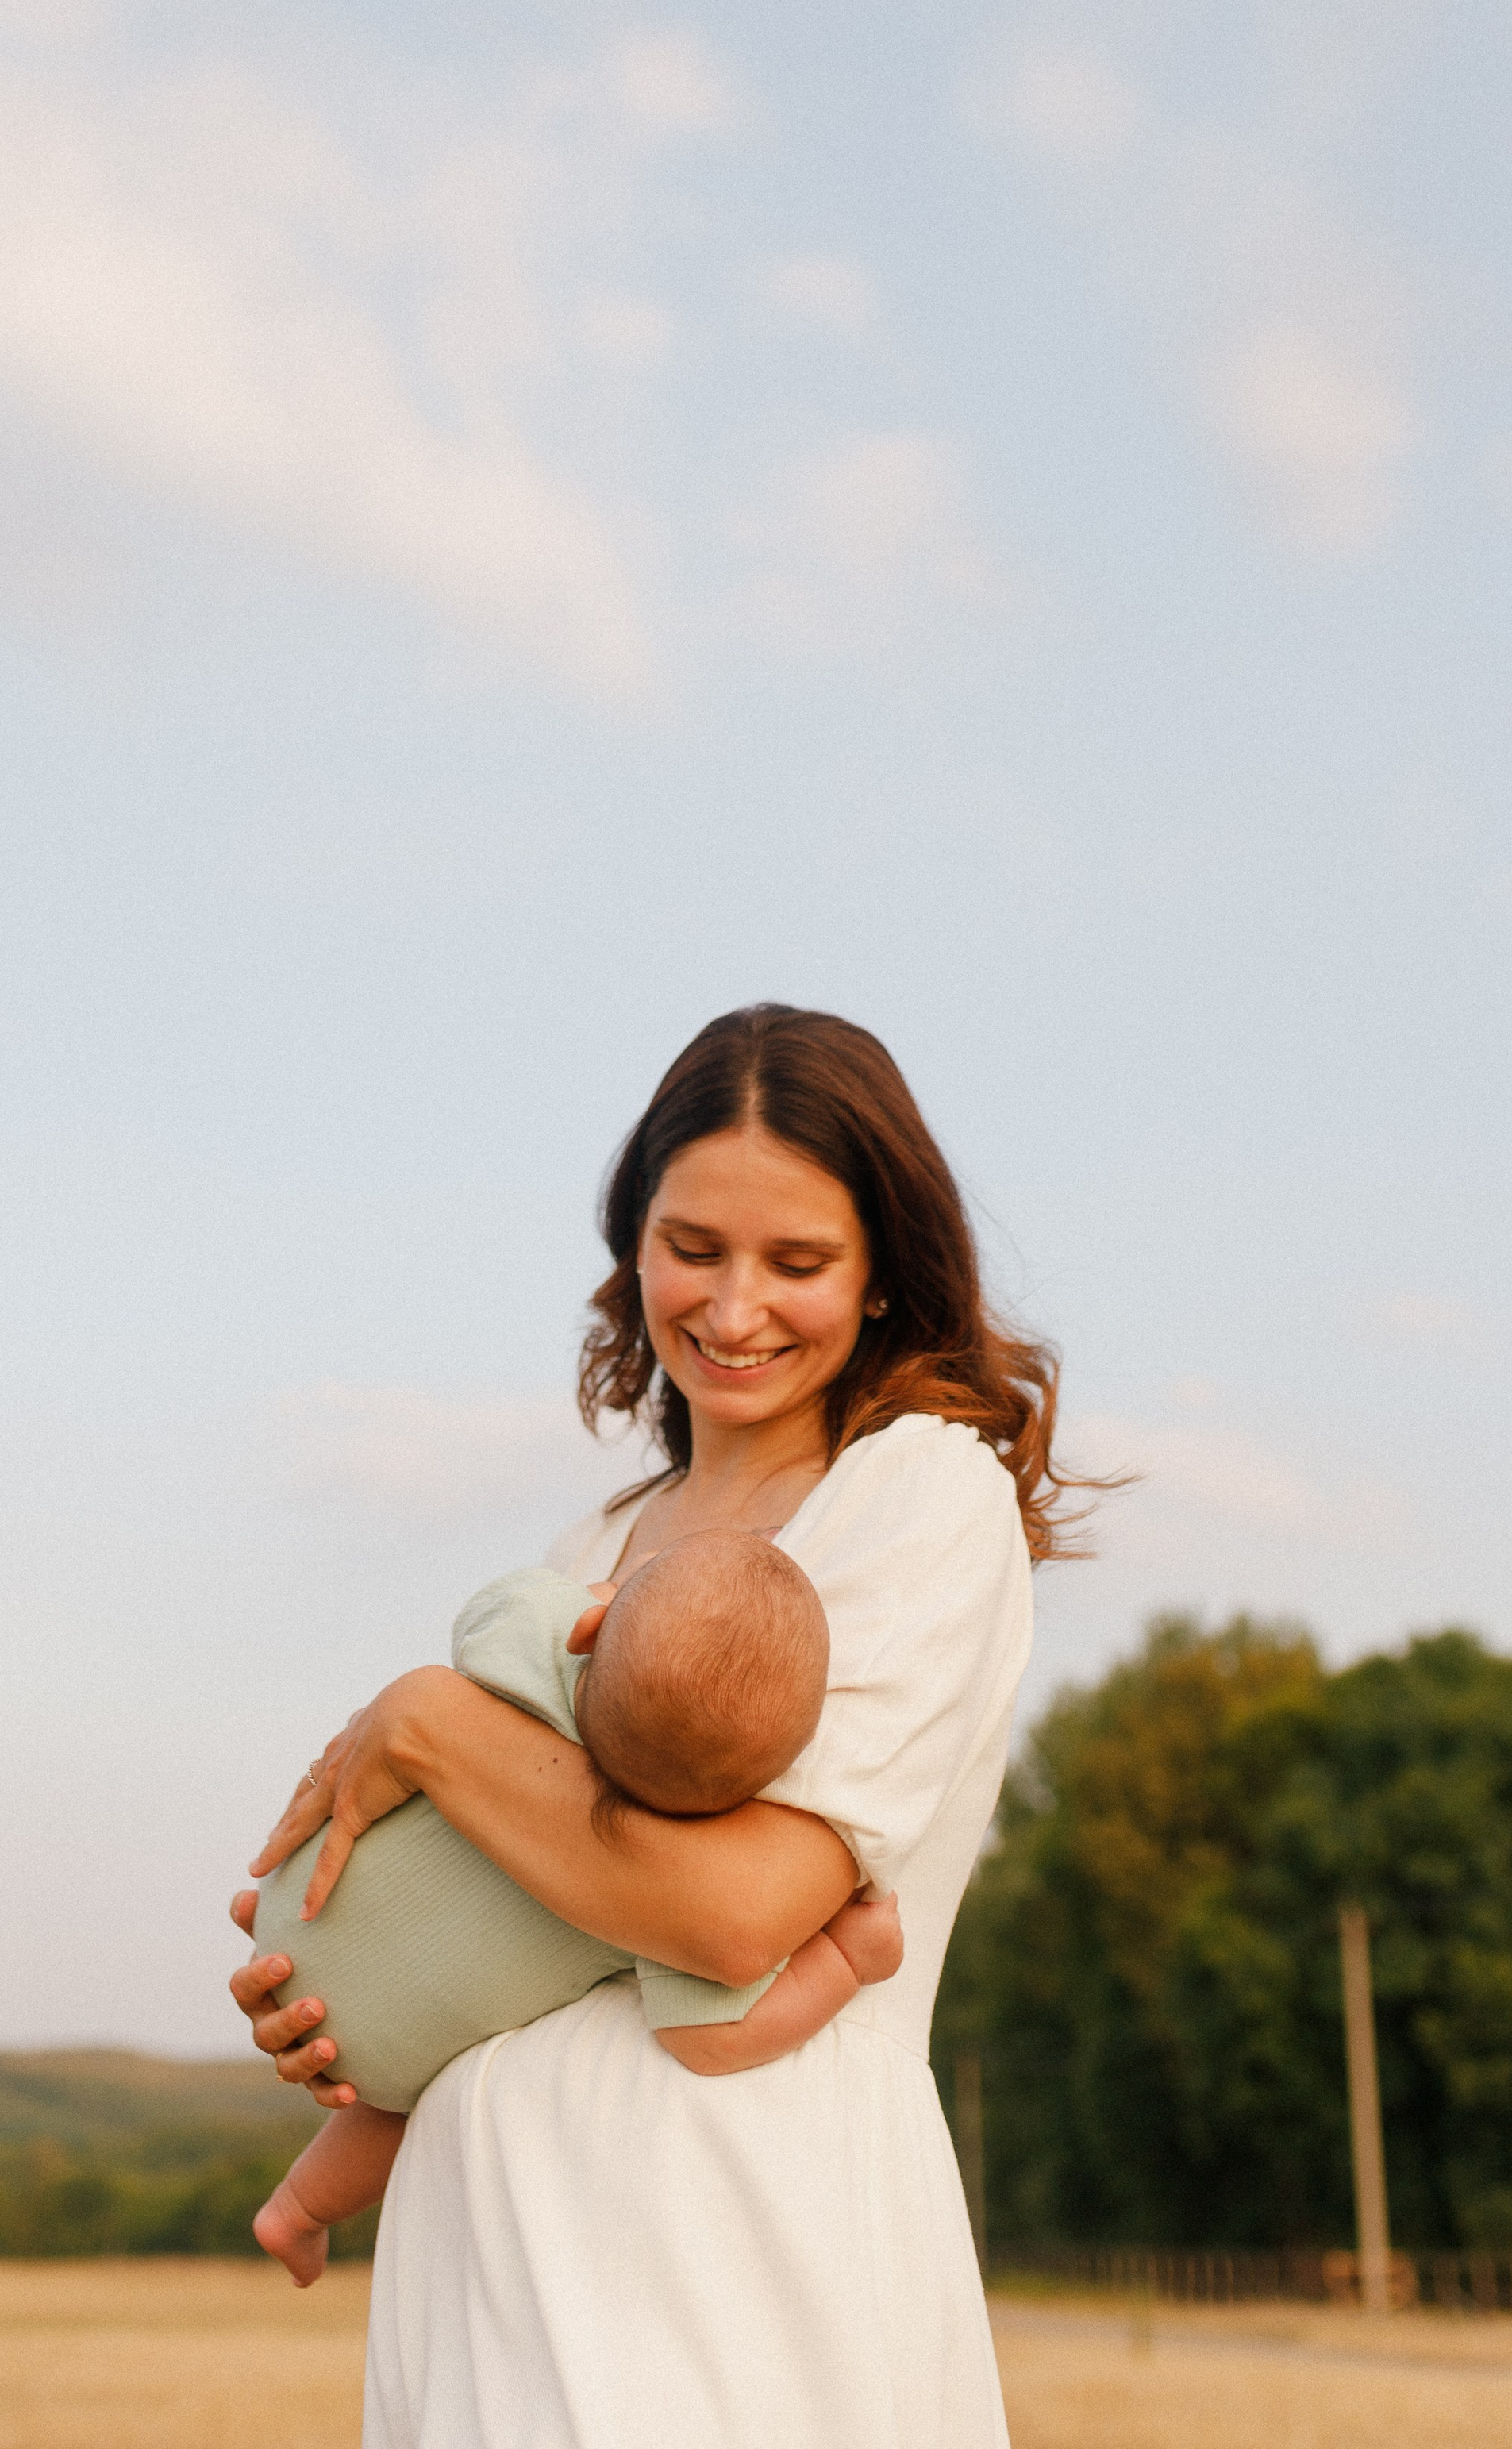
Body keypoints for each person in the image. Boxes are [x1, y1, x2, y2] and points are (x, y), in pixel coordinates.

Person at [229, 1003, 1073, 2449]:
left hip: (732, 2254)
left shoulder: (918, 1496)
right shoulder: (593, 1542)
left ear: (882, 1276)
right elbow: (505, 1890)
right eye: (694, 1250)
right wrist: (350, 2003)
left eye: (798, 1263)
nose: (735, 1310)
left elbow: (738, 1911)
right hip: (484, 2254)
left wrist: (430, 1724)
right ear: (633, 1247)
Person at [248, 1537, 904, 2284]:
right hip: (379, 2059)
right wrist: (848, 1960)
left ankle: (292, 2209)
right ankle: (297, 2209)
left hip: (292, 1909)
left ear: (588, 1633)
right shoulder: (670, 1881)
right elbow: (710, 2036)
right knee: (410, 2095)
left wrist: (607, 1594)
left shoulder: (531, 1647)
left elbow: (491, 1607)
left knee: (434, 2074)